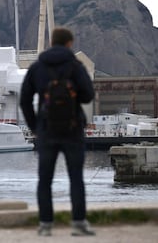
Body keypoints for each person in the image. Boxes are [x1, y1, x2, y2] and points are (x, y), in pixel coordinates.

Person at [20, 28, 95, 236]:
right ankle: (78, 224)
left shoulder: (37, 67)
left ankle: (45, 225)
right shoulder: (76, 66)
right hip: (73, 130)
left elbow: (24, 100)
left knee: (45, 180)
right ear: (69, 43)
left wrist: (35, 127)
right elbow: (88, 95)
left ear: (52, 43)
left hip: (46, 130)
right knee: (76, 178)